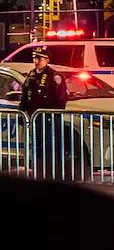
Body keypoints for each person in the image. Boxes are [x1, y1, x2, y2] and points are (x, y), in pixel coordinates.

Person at [19, 46, 69, 178]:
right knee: (37, 147)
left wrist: (51, 114)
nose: (36, 61)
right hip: (35, 119)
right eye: (34, 58)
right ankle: (39, 173)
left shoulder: (54, 76)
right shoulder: (31, 75)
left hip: (49, 119)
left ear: (47, 60)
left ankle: (52, 174)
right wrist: (22, 113)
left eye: (39, 58)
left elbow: (61, 99)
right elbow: (25, 96)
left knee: (51, 148)